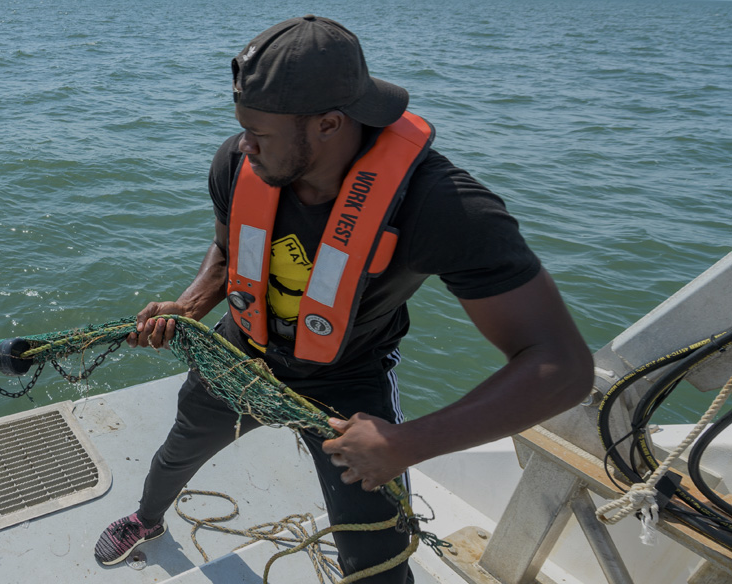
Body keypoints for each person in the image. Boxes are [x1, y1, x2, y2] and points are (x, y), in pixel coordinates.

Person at [92, 15, 593, 583]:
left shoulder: (444, 207)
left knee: (377, 562)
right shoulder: (239, 162)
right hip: (240, 353)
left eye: (262, 133)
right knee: (177, 451)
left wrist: (409, 442)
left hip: (346, 381)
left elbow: (562, 366)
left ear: (330, 124)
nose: (244, 145)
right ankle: (147, 520)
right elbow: (231, 250)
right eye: (241, 128)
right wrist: (190, 305)